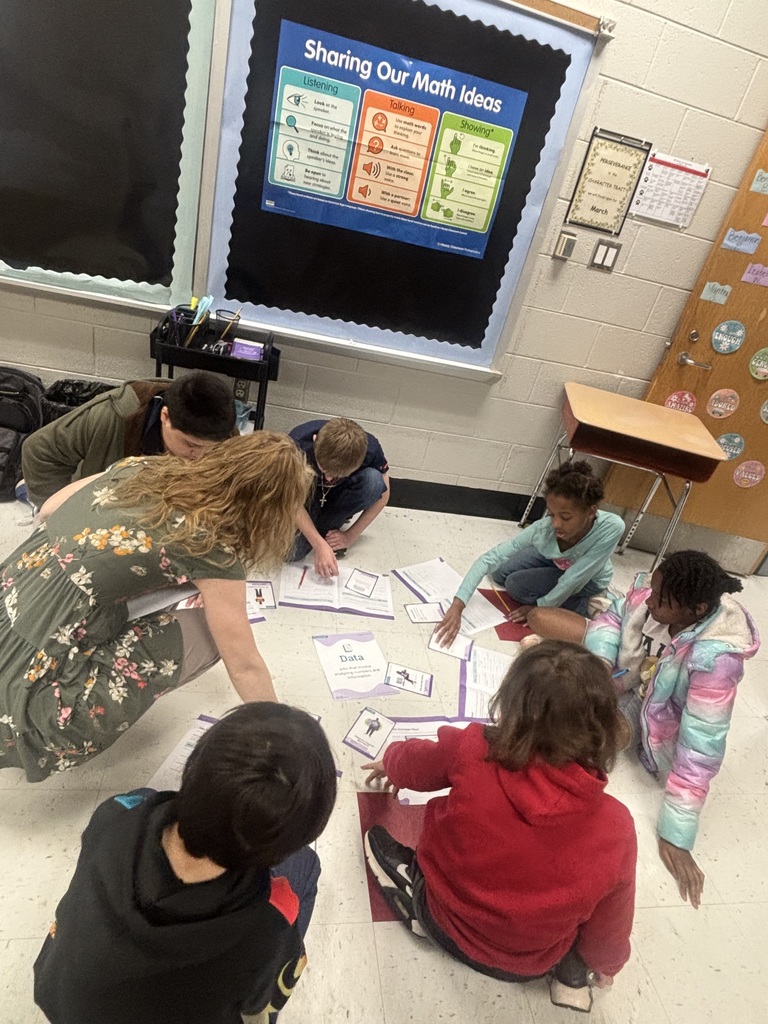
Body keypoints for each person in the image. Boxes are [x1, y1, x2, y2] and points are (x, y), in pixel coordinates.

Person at [0, 431, 314, 782]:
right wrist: (283, 737)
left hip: (18, 589)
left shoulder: (143, 465)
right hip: (33, 681)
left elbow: (49, 509)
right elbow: (244, 665)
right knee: (211, 635)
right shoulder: (213, 547)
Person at [362, 641, 636, 1013]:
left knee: (388, 850)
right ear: (603, 727)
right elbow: (611, 926)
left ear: (511, 705)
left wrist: (391, 762)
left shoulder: (473, 748)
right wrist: (606, 967)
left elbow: (416, 764)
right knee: (580, 928)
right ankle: (572, 977)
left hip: (444, 920)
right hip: (530, 964)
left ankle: (413, 900)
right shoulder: (618, 827)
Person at [34, 702, 338, 1024]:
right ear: (282, 847)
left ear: (193, 764)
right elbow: (260, 1003)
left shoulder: (113, 813)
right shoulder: (268, 918)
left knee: (143, 795)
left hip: (64, 1000)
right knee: (306, 866)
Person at [584, 549, 759, 909]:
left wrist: (676, 835)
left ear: (695, 611)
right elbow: (615, 615)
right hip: (622, 681)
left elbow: (702, 747)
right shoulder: (653, 596)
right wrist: (600, 660)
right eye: (652, 589)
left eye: (661, 600)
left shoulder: (716, 661)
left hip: (658, 718)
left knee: (593, 741)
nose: (650, 601)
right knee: (559, 665)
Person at [435, 461, 624, 646]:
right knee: (500, 571)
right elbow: (489, 559)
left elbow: (574, 579)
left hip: (588, 579)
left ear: (591, 512)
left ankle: (584, 604)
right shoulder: (543, 530)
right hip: (557, 561)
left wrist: (539, 607)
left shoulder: (612, 527)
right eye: (551, 514)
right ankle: (549, 573)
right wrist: (457, 605)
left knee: (516, 586)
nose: (556, 524)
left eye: (565, 517)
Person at [21, 370, 237, 509]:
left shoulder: (223, 431)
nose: (199, 456)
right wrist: (62, 513)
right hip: (109, 507)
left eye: (210, 450)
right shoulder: (112, 415)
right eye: (191, 445)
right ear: (165, 417)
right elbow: (38, 451)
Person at [289, 417, 390, 577]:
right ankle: (320, 529)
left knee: (374, 481)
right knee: (291, 555)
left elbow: (384, 496)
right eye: (324, 470)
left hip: (338, 498)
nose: (329, 479)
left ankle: (326, 526)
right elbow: (290, 501)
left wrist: (349, 536)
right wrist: (319, 544)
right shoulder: (297, 443)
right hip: (304, 499)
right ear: (315, 441)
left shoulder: (370, 449)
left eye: (337, 474)